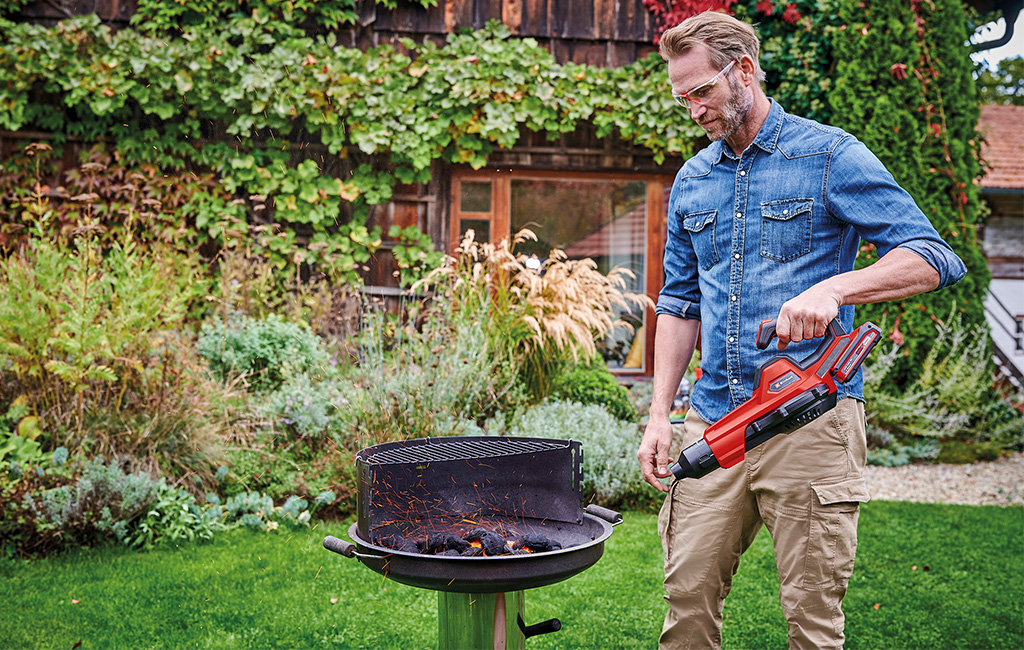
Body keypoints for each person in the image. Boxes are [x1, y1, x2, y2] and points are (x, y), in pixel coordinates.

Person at [636, 11, 967, 650]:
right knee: (686, 611)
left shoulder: (827, 155)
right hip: (713, 424)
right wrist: (659, 416)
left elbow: (931, 256)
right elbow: (678, 303)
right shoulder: (692, 180)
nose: (694, 110)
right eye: (682, 98)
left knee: (812, 625)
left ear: (744, 71)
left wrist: (835, 287)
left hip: (810, 420)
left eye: (702, 91)